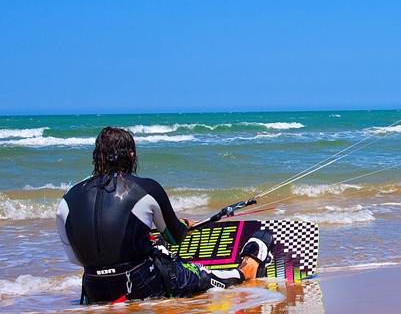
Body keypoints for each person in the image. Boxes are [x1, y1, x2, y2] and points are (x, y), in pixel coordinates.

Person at [56, 127, 274, 304]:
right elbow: (175, 237)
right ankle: (247, 270)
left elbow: (75, 259)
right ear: (131, 155)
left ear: (97, 156)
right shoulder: (145, 189)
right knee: (204, 276)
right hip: (141, 285)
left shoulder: (68, 199)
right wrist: (183, 225)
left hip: (95, 291)